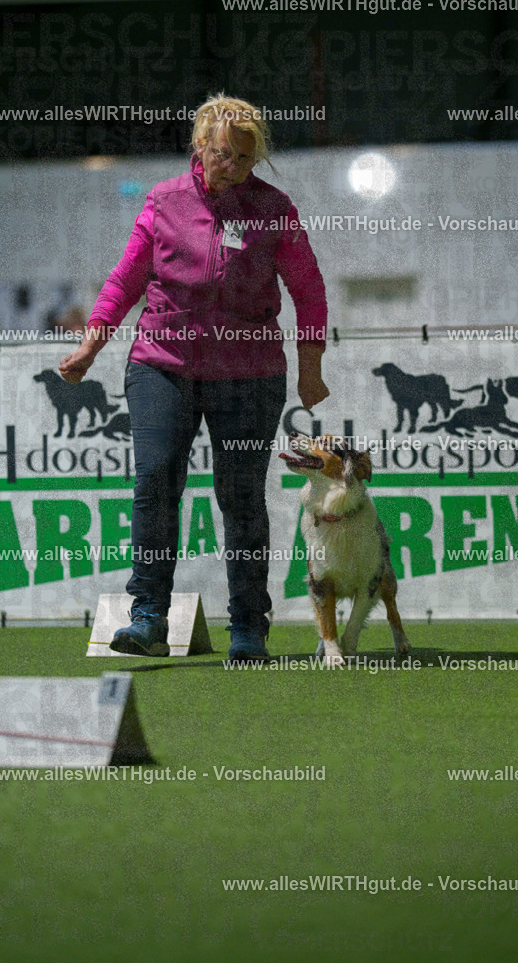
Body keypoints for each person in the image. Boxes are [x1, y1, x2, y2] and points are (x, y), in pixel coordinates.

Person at [59, 94, 329, 661]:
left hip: (249, 373)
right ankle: (148, 616)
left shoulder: (274, 208)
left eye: (245, 159)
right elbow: (125, 280)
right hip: (163, 364)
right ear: (199, 147)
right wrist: (91, 345)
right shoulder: (163, 202)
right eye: (224, 155)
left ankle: (249, 627)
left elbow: (308, 290)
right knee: (155, 485)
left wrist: (310, 370)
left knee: (241, 498)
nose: (234, 167)